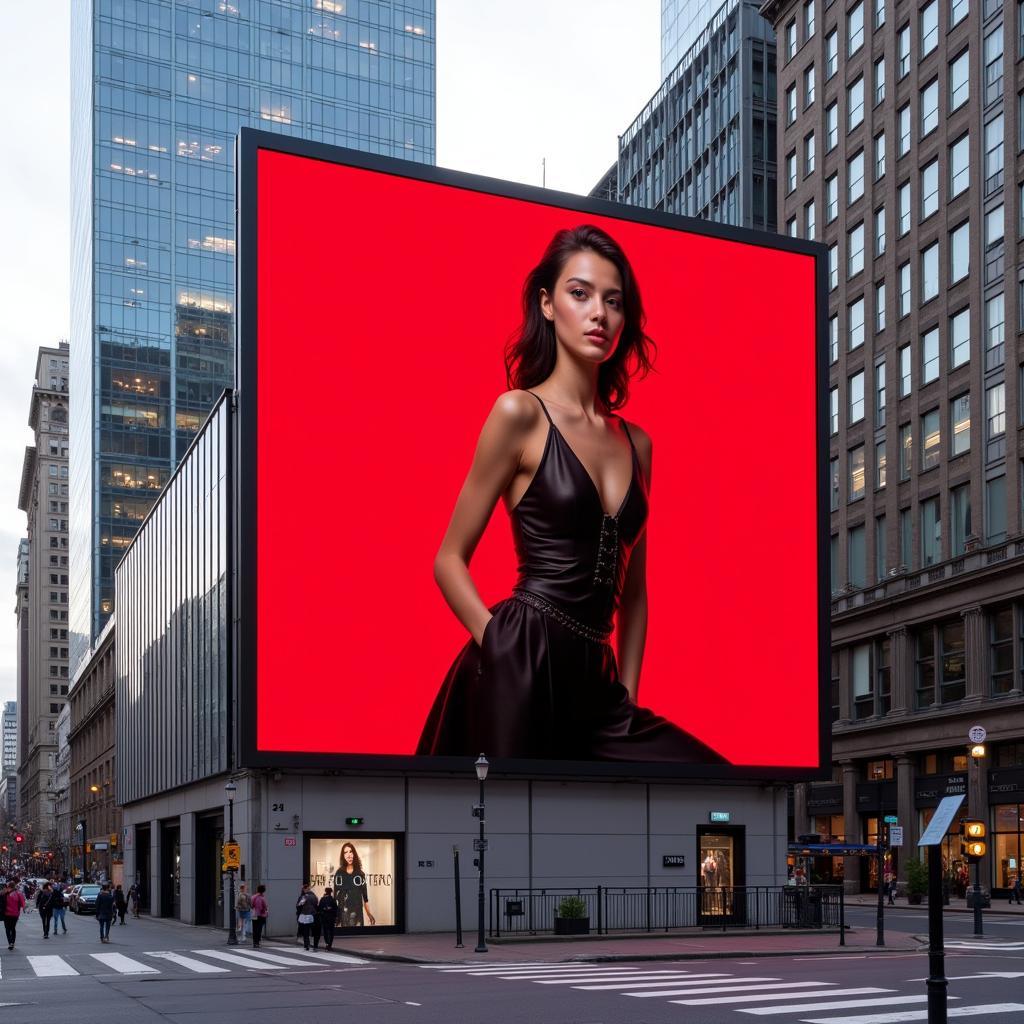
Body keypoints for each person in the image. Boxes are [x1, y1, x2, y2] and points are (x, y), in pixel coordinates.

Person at [416, 225, 725, 763]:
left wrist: (626, 696)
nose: (598, 313)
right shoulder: (519, 413)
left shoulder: (638, 444)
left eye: (613, 301)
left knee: (706, 779)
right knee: (511, 835)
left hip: (599, 685)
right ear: (549, 304)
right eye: (580, 294)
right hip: (523, 658)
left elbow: (635, 595)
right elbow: (448, 559)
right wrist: (498, 643)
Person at [333, 843, 376, 928]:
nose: (348, 855)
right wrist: (336, 916)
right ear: (343, 856)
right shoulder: (339, 874)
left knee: (358, 936)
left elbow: (365, 898)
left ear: (354, 854)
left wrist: (369, 913)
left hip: (358, 914)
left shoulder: (360, 874)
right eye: (345, 852)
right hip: (344, 913)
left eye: (351, 852)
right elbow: (335, 897)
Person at [3, 879, 25, 950]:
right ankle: (12, 942)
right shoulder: (19, 893)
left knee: (7, 928)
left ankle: (10, 942)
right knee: (13, 928)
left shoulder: (5, 892)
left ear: (9, 886)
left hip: (6, 913)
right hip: (15, 914)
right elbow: (22, 904)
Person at [295, 883, 318, 950]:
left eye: (304, 889)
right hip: (313, 914)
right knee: (313, 929)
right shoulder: (314, 896)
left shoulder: (305, 896)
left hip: (305, 914)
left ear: (306, 889)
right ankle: (314, 943)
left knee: (306, 930)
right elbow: (316, 904)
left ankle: (306, 944)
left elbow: (299, 905)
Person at [318, 887, 339, 951]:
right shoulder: (333, 899)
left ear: (325, 891)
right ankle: (330, 945)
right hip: (331, 917)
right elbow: (336, 908)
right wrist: (335, 916)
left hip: (324, 917)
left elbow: (319, 908)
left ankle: (327, 943)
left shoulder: (322, 899)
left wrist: (323, 912)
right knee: (331, 931)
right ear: (331, 892)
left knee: (325, 931)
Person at [251, 884, 268, 948]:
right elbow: (265, 907)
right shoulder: (262, 898)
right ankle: (257, 942)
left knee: (254, 928)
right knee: (259, 929)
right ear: (263, 891)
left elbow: (251, 905)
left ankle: (254, 942)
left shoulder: (253, 897)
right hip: (261, 915)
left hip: (254, 914)